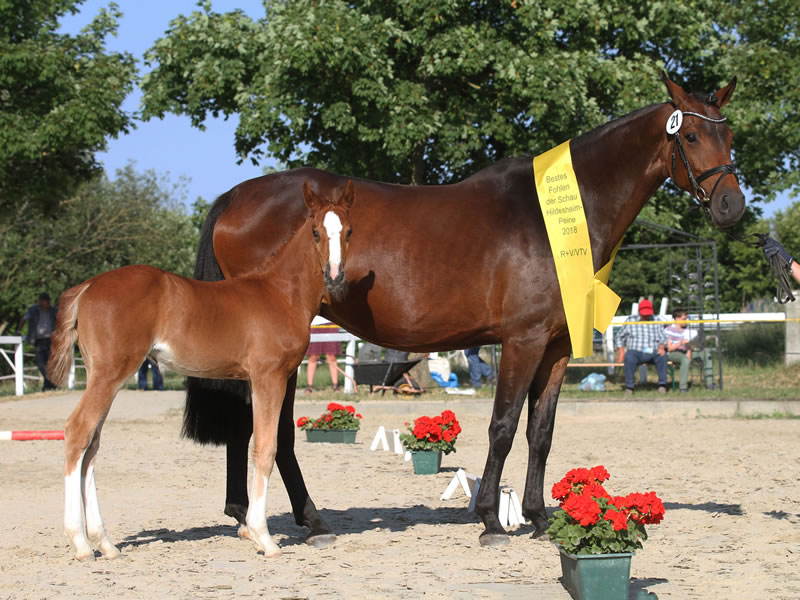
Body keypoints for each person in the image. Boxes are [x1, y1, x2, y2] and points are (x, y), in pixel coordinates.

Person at [614, 299, 668, 394]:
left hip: (654, 351)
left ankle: (662, 385)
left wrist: (662, 346)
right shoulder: (630, 320)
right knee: (629, 357)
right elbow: (619, 337)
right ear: (639, 312)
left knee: (663, 356)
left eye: (648, 313)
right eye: (644, 314)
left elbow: (663, 336)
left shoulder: (657, 320)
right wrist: (621, 350)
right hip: (635, 351)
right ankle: (630, 387)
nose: (647, 316)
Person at [664, 309, 715, 393]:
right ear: (677, 319)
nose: (686, 321)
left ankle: (710, 383)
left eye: (686, 318)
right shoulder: (669, 330)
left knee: (706, 354)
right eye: (684, 319)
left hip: (685, 351)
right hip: (673, 352)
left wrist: (688, 352)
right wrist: (680, 343)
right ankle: (683, 387)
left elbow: (688, 343)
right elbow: (669, 348)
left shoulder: (686, 329)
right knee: (685, 359)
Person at [18, 292, 58, 391]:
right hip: (38, 340)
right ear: (40, 301)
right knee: (41, 364)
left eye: (48, 301)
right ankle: (51, 383)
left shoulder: (54, 311)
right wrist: (18, 331)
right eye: (45, 301)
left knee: (50, 364)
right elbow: (23, 319)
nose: (47, 303)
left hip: (51, 340)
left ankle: (47, 386)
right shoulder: (32, 311)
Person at [304, 316, 341, 393]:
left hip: (330, 321)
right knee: (313, 356)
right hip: (315, 322)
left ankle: (335, 385)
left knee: (331, 356)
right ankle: (309, 386)